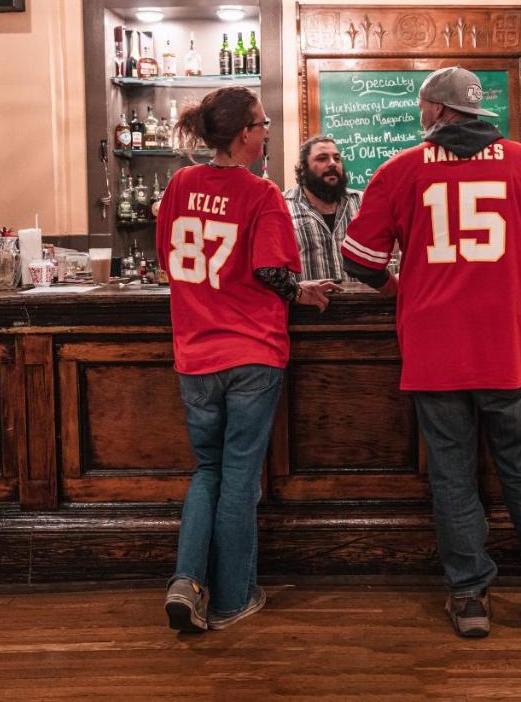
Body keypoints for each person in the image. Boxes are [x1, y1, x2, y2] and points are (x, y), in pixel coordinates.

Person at [340, 66, 521, 638]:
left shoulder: (400, 169)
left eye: (421, 108)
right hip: (505, 348)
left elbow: (358, 260)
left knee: (452, 479)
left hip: (433, 353)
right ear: (478, 111)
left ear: (434, 111)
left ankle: (469, 600)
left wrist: (400, 288)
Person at [155, 86, 338, 633]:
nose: (266, 132)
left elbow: (168, 261)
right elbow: (272, 272)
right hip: (252, 352)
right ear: (243, 135)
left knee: (207, 470)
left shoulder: (180, 184)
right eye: (262, 124)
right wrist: (301, 290)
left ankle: (187, 582)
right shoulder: (262, 194)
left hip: (195, 352)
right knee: (239, 476)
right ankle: (234, 597)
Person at [283, 135, 362, 282]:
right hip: (306, 303)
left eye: (337, 158)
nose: (333, 164)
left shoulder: (361, 202)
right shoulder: (283, 206)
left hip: (364, 302)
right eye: (322, 158)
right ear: (303, 167)